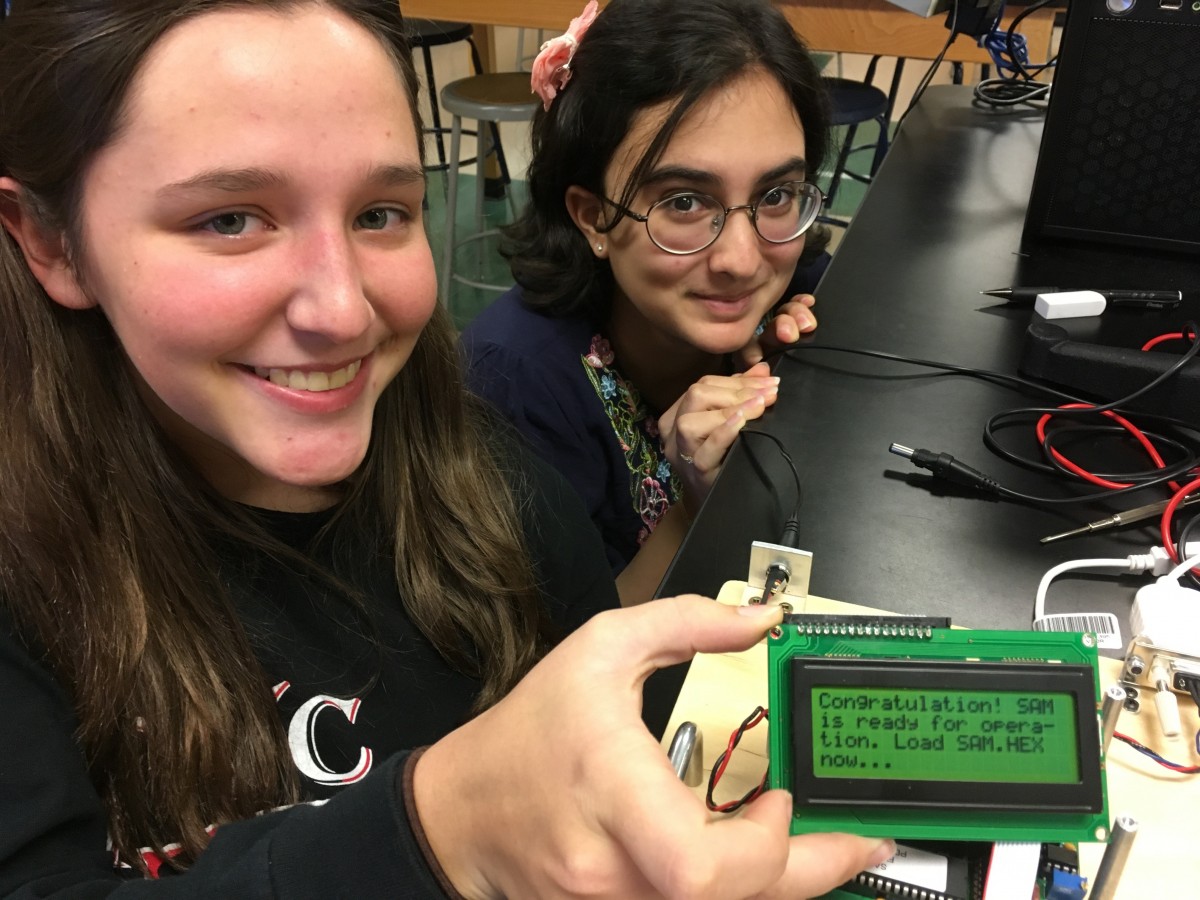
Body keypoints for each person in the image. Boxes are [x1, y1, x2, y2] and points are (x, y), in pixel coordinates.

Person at [0, 0, 892, 897]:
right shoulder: (30, 574)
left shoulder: (498, 490)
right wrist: (444, 829)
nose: (344, 311)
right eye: (230, 220)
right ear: (50, 239)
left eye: (382, 213)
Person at [461, 0, 834, 605]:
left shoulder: (792, 273)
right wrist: (694, 502)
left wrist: (807, 358)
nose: (741, 259)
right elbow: (572, 655)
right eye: (684, 202)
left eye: (776, 193)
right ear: (594, 217)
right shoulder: (514, 390)